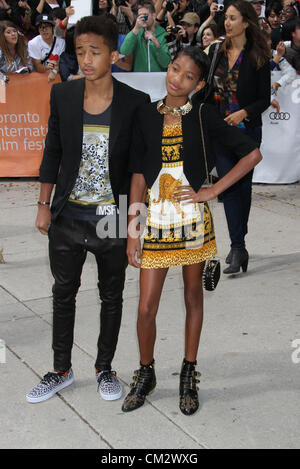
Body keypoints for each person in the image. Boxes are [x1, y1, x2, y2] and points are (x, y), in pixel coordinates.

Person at [121, 46, 262, 415]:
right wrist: (132, 228)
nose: (177, 78)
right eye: (174, 68)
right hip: (153, 223)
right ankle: (146, 372)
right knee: (145, 308)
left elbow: (251, 154)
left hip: (193, 224)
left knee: (193, 299)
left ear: (199, 84)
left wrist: (213, 189)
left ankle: (188, 373)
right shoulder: (146, 114)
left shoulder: (203, 115)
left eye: (188, 76)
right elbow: (137, 173)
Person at [25, 15, 150, 404]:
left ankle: (104, 367)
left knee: (111, 295)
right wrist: (44, 205)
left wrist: (135, 226)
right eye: (80, 51)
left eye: (95, 51)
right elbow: (53, 152)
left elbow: (141, 169)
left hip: (112, 217)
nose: (86, 59)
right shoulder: (63, 95)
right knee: (63, 293)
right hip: (67, 214)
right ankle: (60, 369)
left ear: (114, 54)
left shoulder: (135, 103)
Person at [195, 0, 271, 275]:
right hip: (219, 131)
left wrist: (244, 113)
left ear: (246, 23)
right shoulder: (216, 50)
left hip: (247, 132)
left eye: (233, 18)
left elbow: (264, 99)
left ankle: (239, 240)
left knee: (243, 189)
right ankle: (238, 246)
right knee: (228, 187)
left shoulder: (258, 55)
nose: (227, 23)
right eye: (225, 18)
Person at [120, 1, 171, 72]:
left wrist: (156, 42)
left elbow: (166, 63)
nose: (142, 18)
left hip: (157, 78)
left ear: (154, 16)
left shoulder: (163, 34)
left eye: (145, 15)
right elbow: (125, 51)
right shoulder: (136, 33)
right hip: (140, 78)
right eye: (140, 16)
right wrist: (136, 28)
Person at [28, 13, 65, 81]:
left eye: (47, 26)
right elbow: (37, 67)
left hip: (57, 76)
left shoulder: (61, 43)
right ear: (38, 29)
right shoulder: (33, 43)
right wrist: (46, 67)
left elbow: (61, 64)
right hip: (40, 78)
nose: (44, 30)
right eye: (41, 27)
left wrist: (54, 70)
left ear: (53, 27)